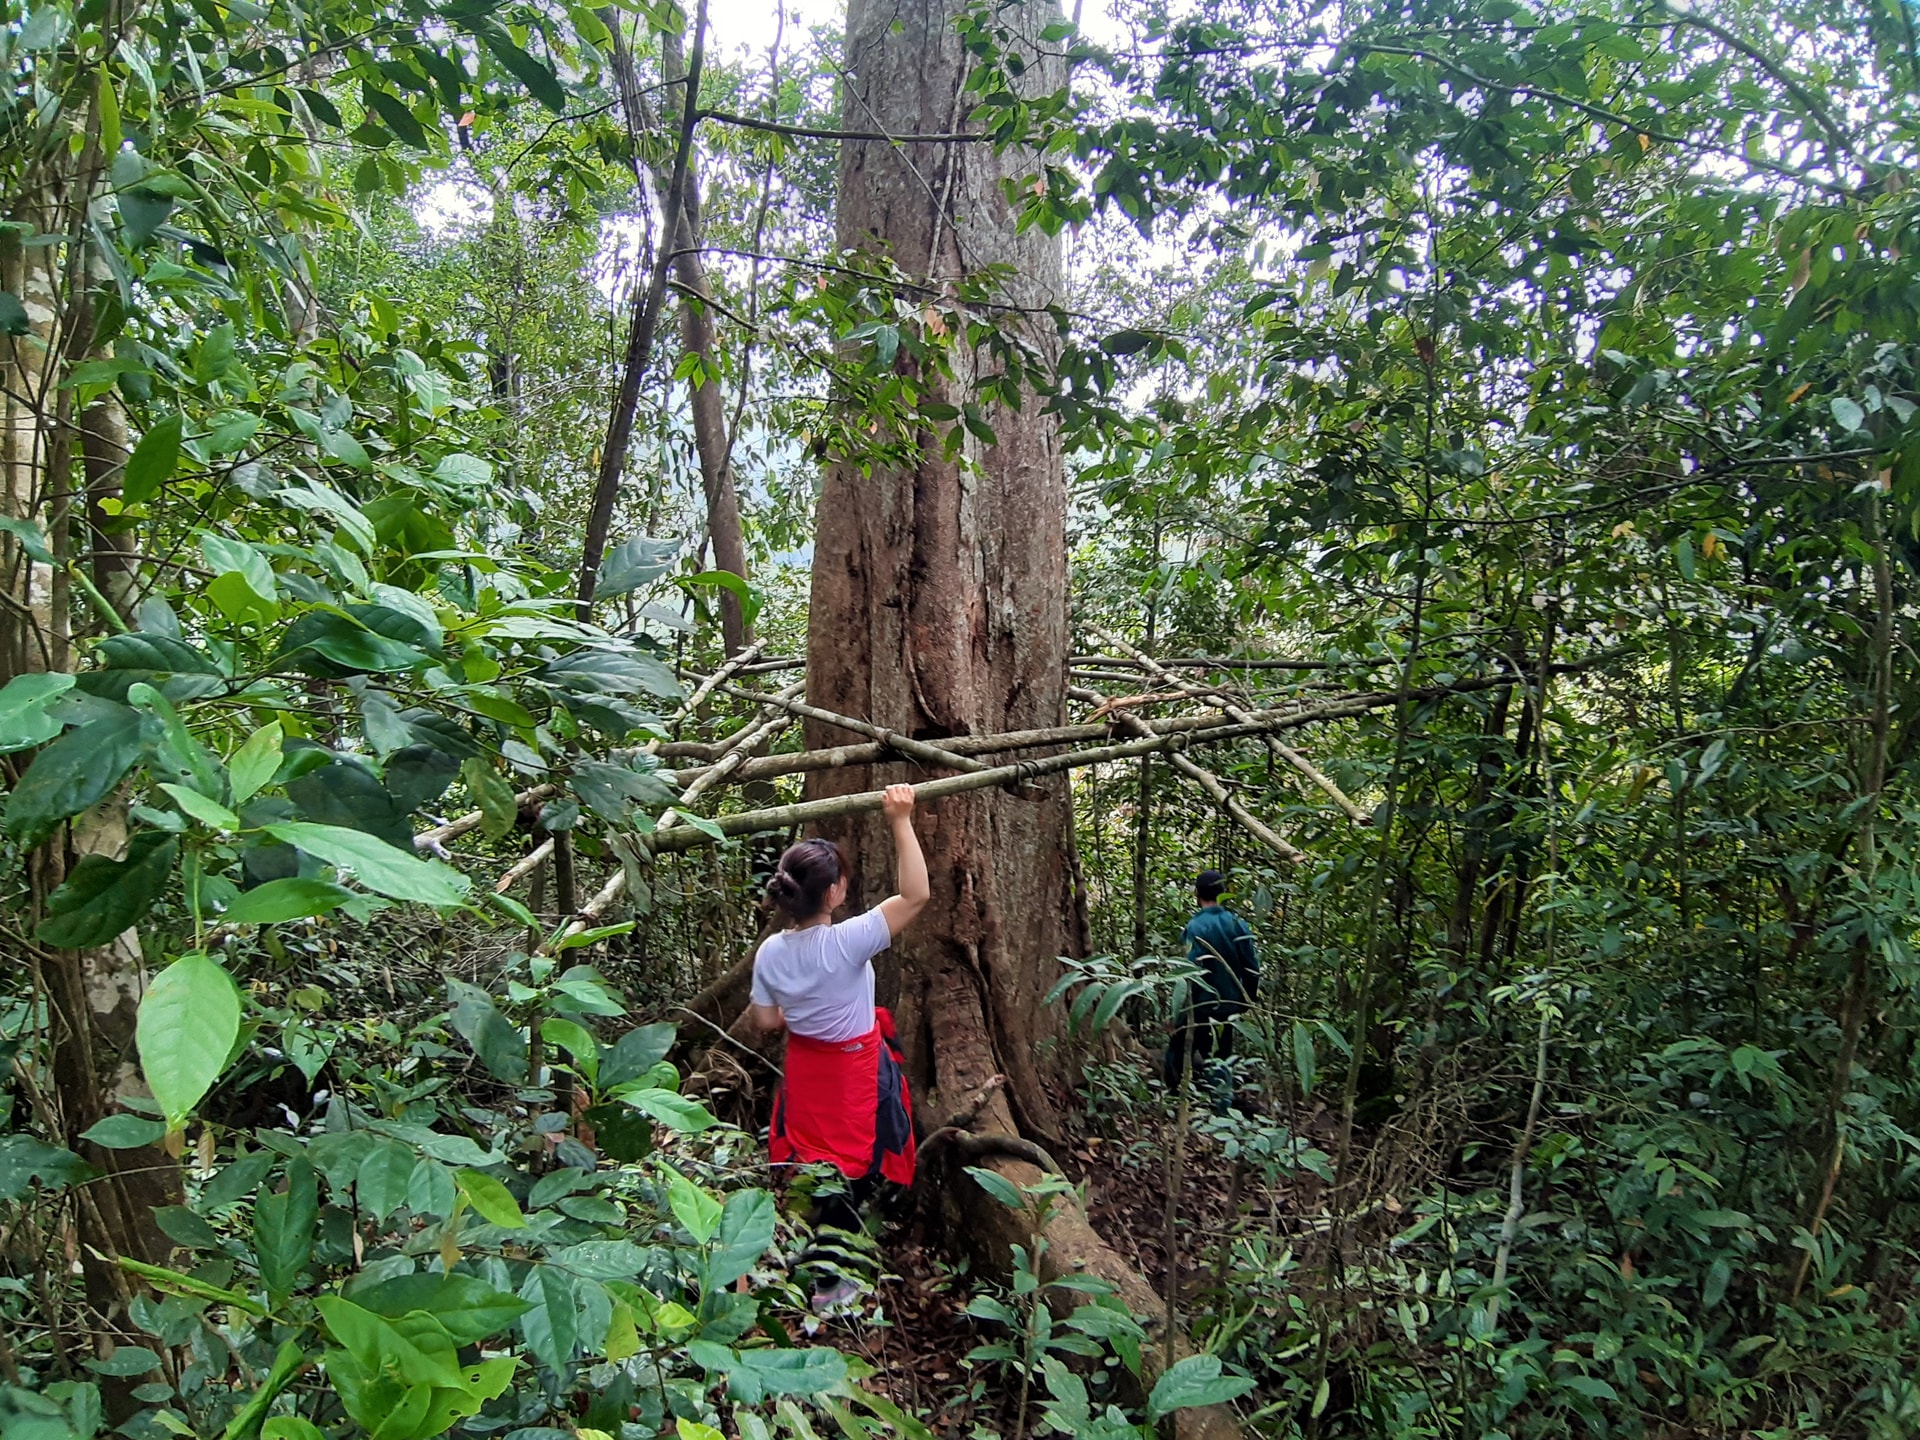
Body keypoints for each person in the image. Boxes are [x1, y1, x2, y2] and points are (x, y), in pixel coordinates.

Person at [747, 783, 928, 1310]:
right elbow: (916, 894)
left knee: (817, 1157)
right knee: (848, 1164)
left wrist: (795, 1011)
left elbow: (764, 1022)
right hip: (850, 1068)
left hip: (805, 1068)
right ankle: (834, 1280)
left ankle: (821, 1254)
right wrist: (900, 817)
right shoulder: (849, 940)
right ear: (832, 893)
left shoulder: (771, 952)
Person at [1163, 869, 1259, 1116]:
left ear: (1197, 894)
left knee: (1177, 1049)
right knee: (1221, 1056)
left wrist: (1177, 1014)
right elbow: (1252, 967)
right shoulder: (1238, 923)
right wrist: (1247, 1001)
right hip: (1229, 1004)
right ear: (1222, 892)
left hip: (1199, 1004)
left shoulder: (1195, 926)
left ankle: (1173, 1100)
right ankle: (1221, 1110)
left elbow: (1189, 972)